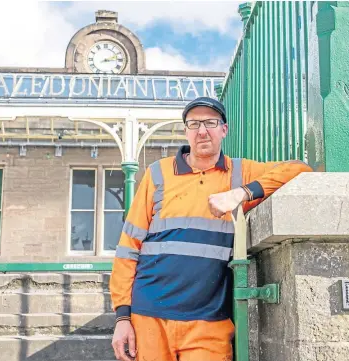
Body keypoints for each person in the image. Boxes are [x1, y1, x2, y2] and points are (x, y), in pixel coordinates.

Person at [109, 96, 312, 361]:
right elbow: (128, 248)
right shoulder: (158, 173)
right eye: (194, 124)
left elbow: (300, 169)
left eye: (210, 122)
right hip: (149, 317)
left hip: (209, 323)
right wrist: (122, 317)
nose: (202, 130)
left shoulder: (240, 172)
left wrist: (242, 193)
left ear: (224, 129)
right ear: (186, 131)